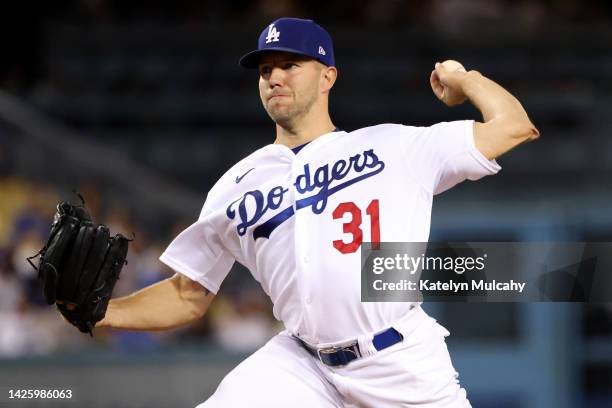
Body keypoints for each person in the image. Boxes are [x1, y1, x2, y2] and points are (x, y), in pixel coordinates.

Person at [97, 17, 539, 407]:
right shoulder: (236, 185)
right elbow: (187, 294)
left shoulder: (392, 146)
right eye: (266, 70)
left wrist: (466, 80)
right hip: (303, 364)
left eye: (290, 65)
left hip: (401, 364)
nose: (274, 78)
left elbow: (514, 126)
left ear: (327, 76)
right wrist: (101, 312)